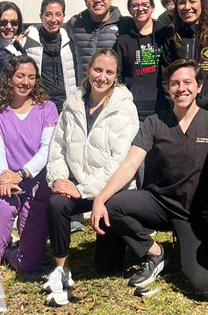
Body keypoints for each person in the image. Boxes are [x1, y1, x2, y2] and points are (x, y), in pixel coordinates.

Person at [90, 60, 208, 300]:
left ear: (199, 87)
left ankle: (189, 247)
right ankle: (154, 251)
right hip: (158, 203)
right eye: (175, 84)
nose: (181, 88)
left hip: (192, 213)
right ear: (167, 88)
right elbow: (130, 164)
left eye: (187, 82)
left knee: (203, 285)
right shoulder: (154, 122)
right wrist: (100, 198)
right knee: (113, 205)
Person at [42, 49, 140, 307]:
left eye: (109, 72)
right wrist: (60, 181)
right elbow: (58, 147)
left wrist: (83, 190)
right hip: (78, 185)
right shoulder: (72, 104)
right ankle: (61, 268)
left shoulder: (125, 109)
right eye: (98, 70)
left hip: (112, 192)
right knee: (57, 203)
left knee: (108, 267)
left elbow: (118, 162)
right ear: (88, 70)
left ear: (116, 77)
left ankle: (125, 241)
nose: (102, 77)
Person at [0, 56, 58, 314]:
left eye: (31, 77)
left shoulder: (47, 109)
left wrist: (21, 174)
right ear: (9, 78)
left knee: (30, 263)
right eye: (20, 76)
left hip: (33, 186)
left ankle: (7, 248)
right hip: (2, 182)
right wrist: (5, 176)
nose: (26, 82)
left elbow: (46, 149)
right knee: (3, 207)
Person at [21, 0, 77, 113]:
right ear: (41, 17)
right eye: (48, 14)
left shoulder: (70, 40)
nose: (53, 19)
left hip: (66, 104)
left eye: (58, 14)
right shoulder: (28, 41)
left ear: (63, 16)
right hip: (39, 104)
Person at [113, 0, 162, 121]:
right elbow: (119, 75)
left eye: (145, 5)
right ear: (129, 10)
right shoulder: (123, 40)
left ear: (152, 7)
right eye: (135, 5)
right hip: (134, 108)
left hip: (164, 106)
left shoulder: (164, 34)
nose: (140, 9)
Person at [66, 0, 124, 79]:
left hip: (112, 89)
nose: (97, 0)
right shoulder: (75, 24)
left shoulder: (122, 24)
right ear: (85, 1)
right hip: (83, 89)